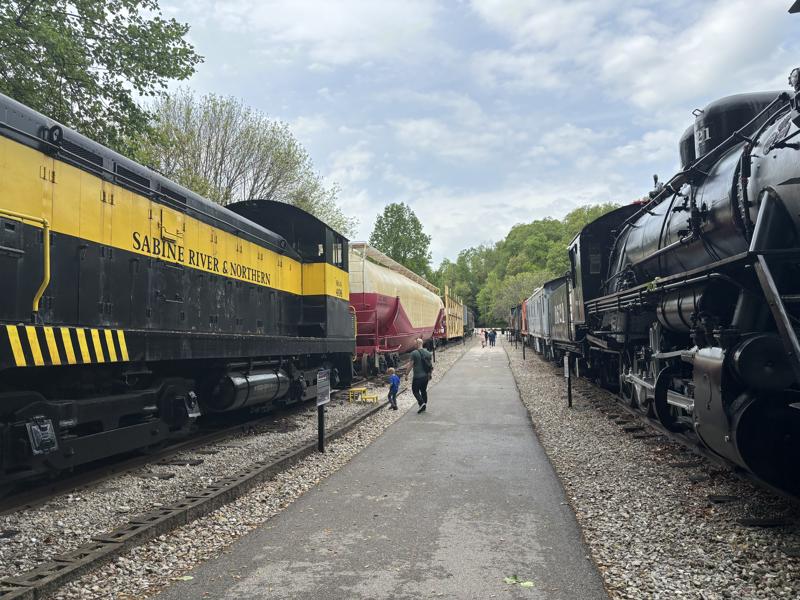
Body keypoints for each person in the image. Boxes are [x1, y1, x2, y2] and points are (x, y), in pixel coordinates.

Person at [406, 338, 432, 413]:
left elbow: (410, 365)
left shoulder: (414, 353)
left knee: (415, 391)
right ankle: (424, 404)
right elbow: (430, 365)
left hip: (417, 377)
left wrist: (406, 374)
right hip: (425, 376)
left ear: (417, 344)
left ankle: (421, 403)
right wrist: (429, 375)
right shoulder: (428, 353)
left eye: (415, 343)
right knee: (423, 390)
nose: (414, 345)